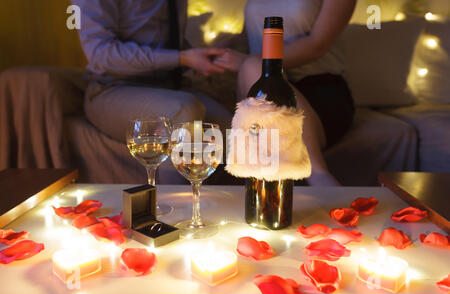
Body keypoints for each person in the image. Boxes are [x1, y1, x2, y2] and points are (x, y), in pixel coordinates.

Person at [214, 0, 357, 186]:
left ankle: (317, 173)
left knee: (252, 67)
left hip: (318, 88)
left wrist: (252, 60)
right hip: (260, 85)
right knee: (255, 73)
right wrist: (219, 50)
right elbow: (248, 36)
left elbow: (318, 44)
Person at [72, 0, 233, 144]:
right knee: (185, 113)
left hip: (169, 87)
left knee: (235, 134)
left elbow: (164, 42)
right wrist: (181, 58)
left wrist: (198, 56)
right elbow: (101, 54)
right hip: (114, 87)